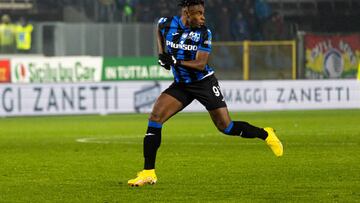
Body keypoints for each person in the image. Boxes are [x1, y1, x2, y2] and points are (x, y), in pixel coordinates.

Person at [128, 0, 283, 187]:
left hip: (204, 83)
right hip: (182, 85)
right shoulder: (165, 23)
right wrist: (162, 55)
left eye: (203, 13)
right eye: (199, 13)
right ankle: (148, 173)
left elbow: (200, 64)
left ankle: (265, 134)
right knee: (155, 118)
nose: (203, 17)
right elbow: (159, 31)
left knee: (226, 127)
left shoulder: (204, 33)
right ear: (187, 13)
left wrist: (175, 61)